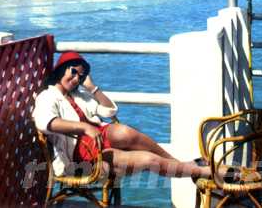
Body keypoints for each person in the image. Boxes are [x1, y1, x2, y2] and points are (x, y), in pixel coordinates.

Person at [32, 51, 217, 180]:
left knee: (126, 133)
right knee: (148, 160)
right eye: (73, 72)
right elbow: (44, 122)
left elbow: (110, 111)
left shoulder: (79, 95)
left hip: (98, 138)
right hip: (81, 155)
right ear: (61, 68)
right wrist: (85, 127)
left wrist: (92, 88)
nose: (75, 79)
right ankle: (196, 170)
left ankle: (179, 164)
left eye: (80, 77)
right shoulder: (47, 96)